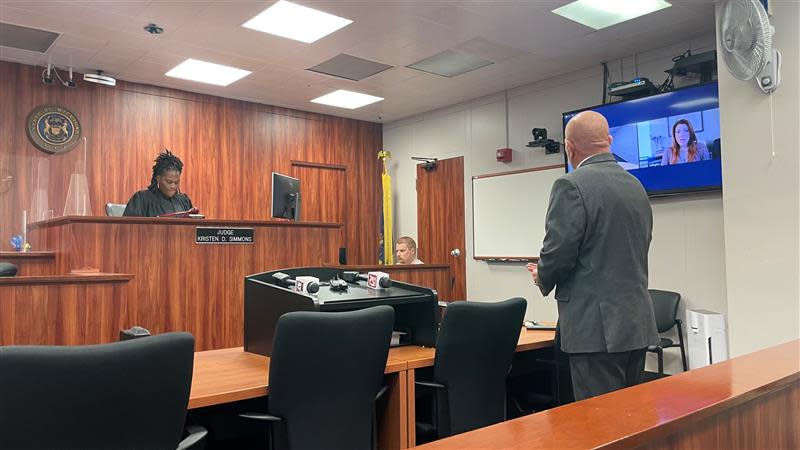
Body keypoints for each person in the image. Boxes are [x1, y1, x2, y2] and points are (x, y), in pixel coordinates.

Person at [527, 111, 658, 401]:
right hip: (637, 324)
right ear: (608, 141)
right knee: (631, 417)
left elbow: (559, 252)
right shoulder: (635, 185)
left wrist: (542, 275)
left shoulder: (570, 185)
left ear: (569, 148)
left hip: (595, 332)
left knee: (600, 425)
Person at [123, 150, 194, 217]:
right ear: (158, 178)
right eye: (169, 182)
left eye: (176, 182)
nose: (173, 186)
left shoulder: (184, 201)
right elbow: (130, 228)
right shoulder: (141, 200)